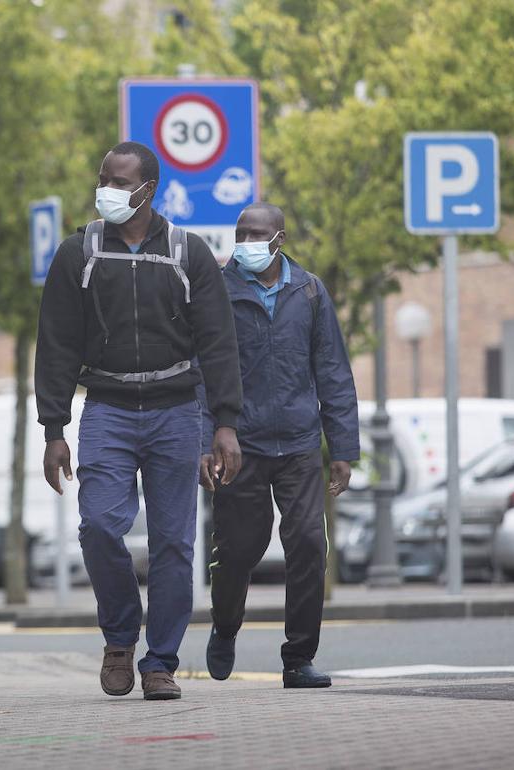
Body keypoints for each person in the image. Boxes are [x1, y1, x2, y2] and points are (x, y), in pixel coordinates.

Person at [35, 142, 243, 701]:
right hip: (108, 410)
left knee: (174, 544)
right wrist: (54, 430)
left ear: (148, 190)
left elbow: (219, 343)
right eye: (103, 178)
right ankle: (120, 635)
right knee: (99, 526)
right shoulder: (77, 253)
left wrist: (224, 424)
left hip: (177, 413)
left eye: (119, 182)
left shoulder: (188, 253)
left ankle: (160, 662)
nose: (106, 190)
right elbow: (55, 344)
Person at [201, 202, 359, 689]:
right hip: (238, 446)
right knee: (240, 548)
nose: (247, 243)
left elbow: (333, 371)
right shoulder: (217, 291)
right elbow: (202, 373)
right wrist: (207, 439)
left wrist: (343, 448)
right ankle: (225, 625)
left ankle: (298, 658)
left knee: (309, 544)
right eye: (241, 234)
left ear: (280, 239)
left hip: (298, 444)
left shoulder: (309, 291)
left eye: (257, 235)